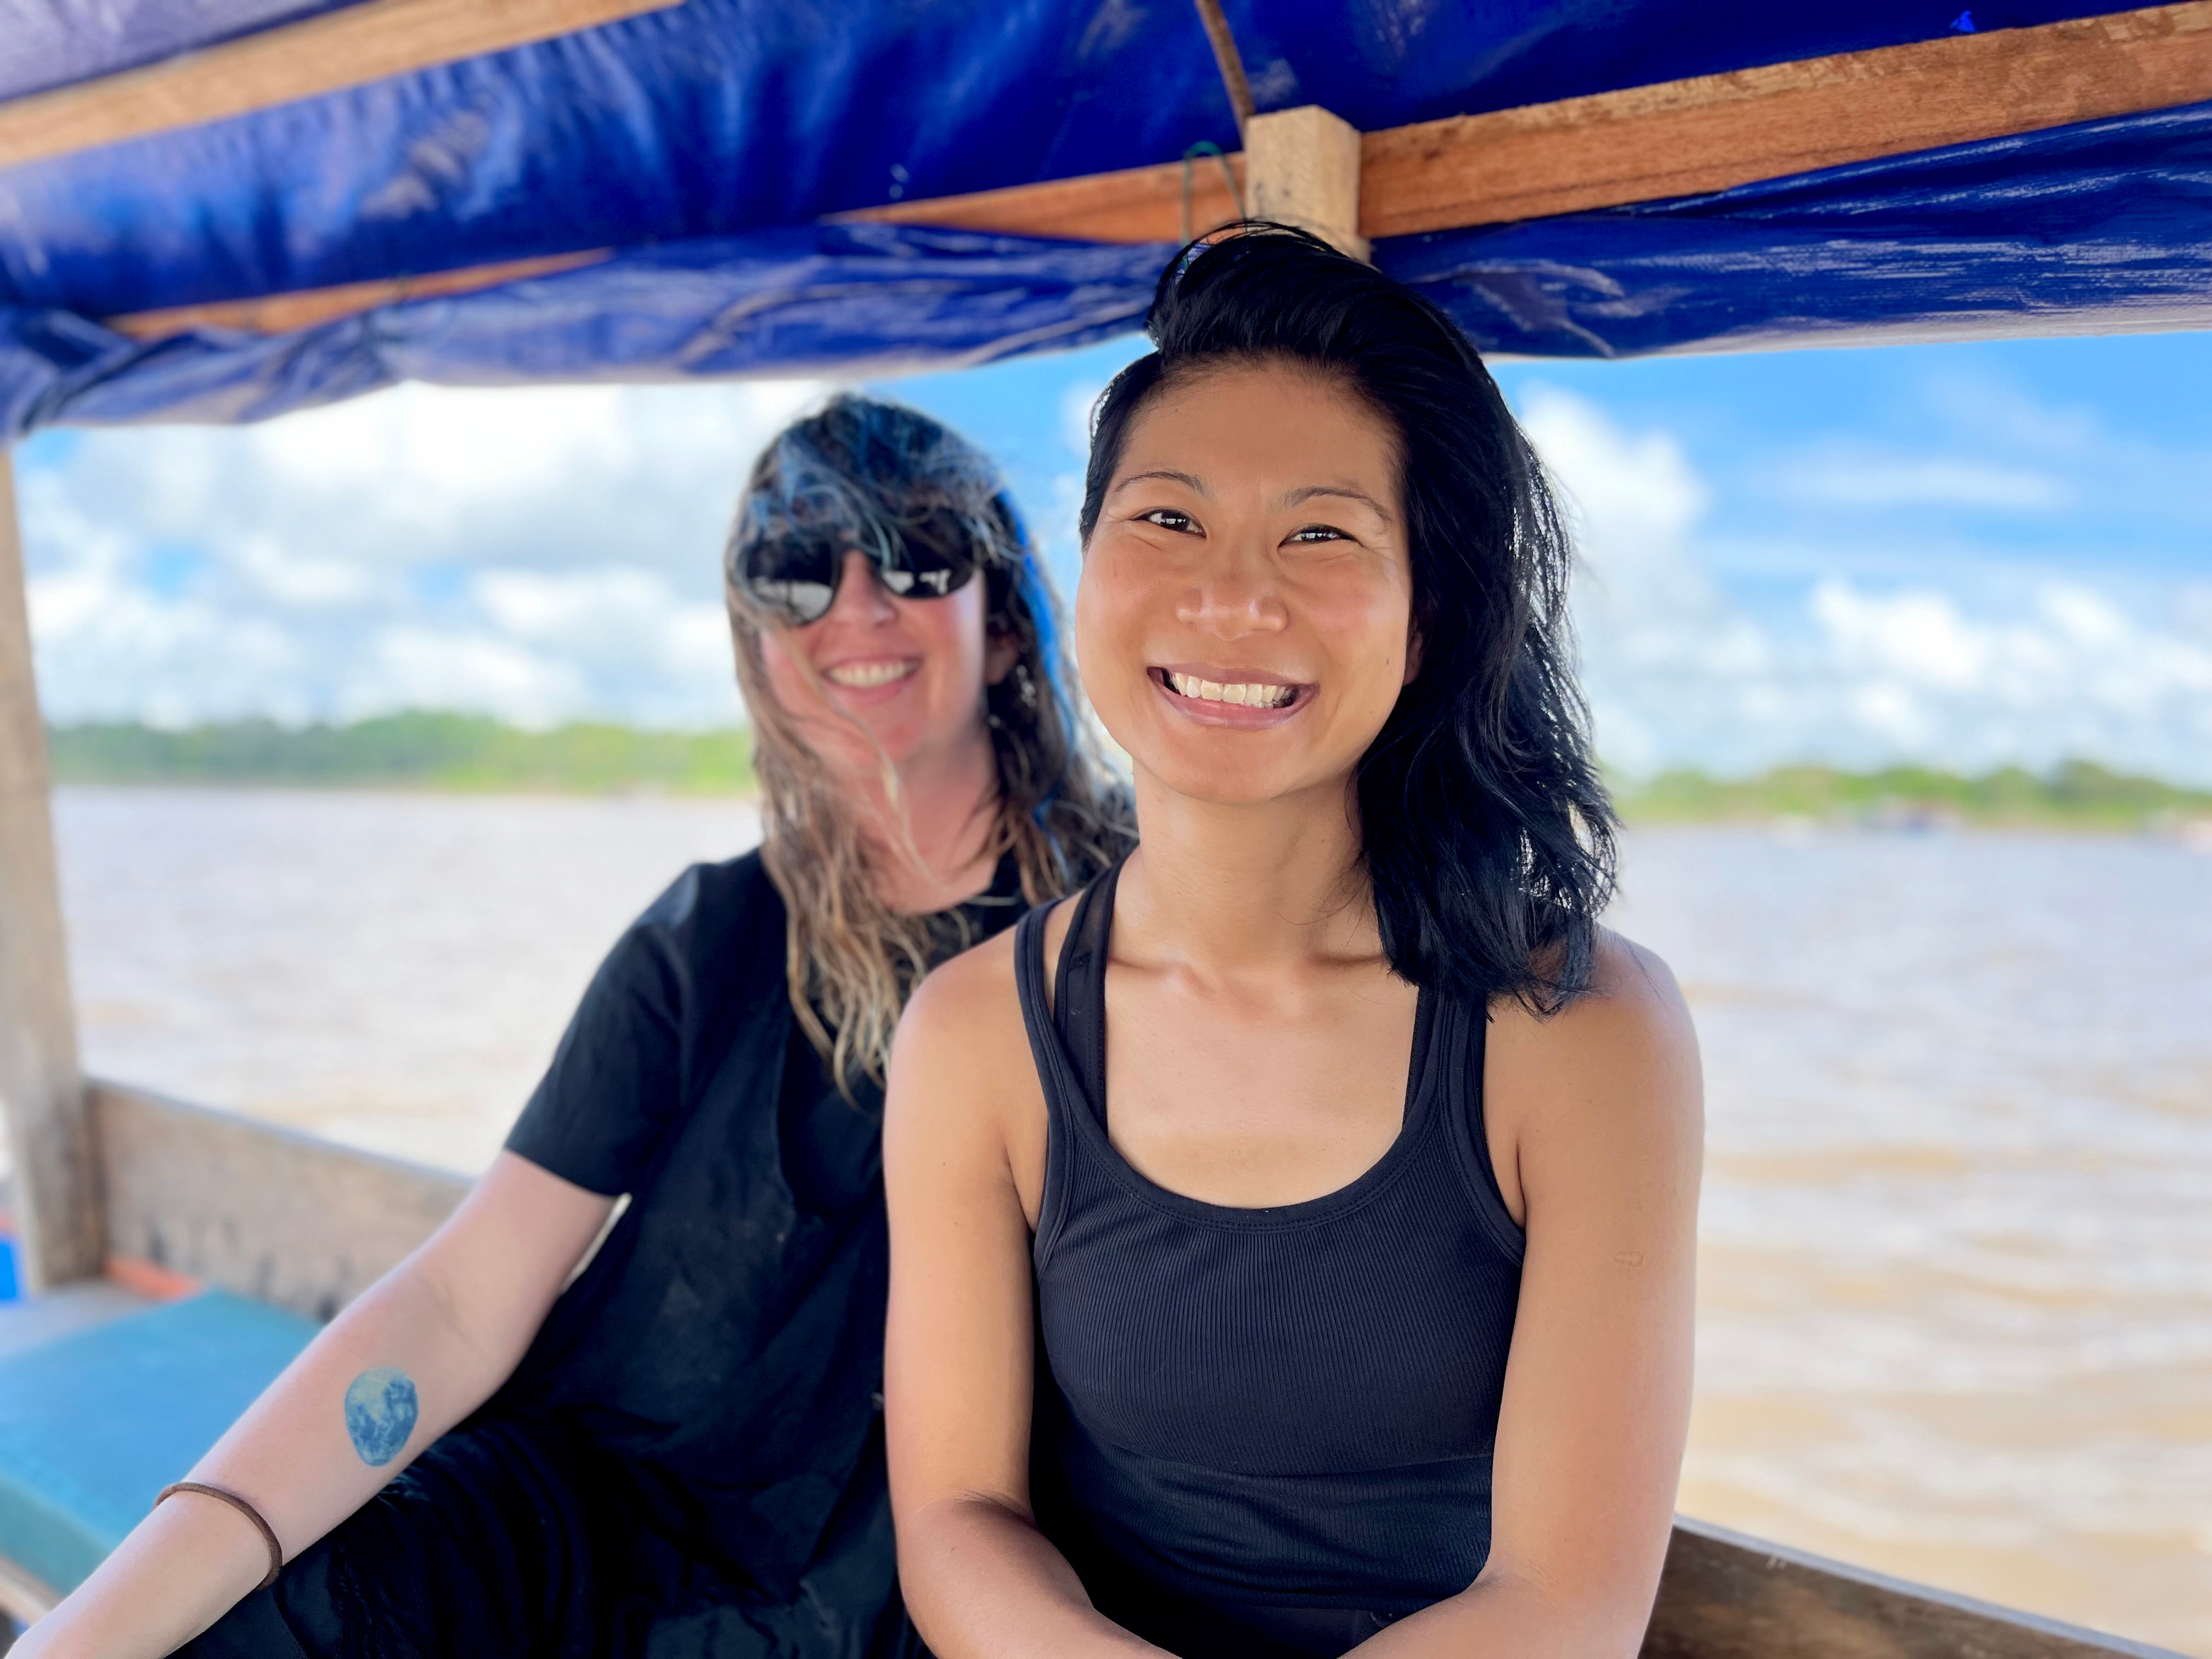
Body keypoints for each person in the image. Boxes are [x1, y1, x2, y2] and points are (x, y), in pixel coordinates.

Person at [21, 394, 1131, 1659]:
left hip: (902, 1563)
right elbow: (459, 1296)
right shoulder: (708, 937)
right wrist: (99, 1626)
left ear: (1003, 633)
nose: (859, 605)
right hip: (594, 1507)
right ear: (757, 646)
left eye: (921, 555)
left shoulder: (1127, 936)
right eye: (798, 568)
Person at [883, 226, 1705, 1659]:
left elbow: (1564, 1603)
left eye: (1322, 535)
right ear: (1083, 575)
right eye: (1168, 520)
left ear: (1423, 619)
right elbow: (957, 1518)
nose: (1233, 599)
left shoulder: (1579, 1031)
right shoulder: (977, 1035)